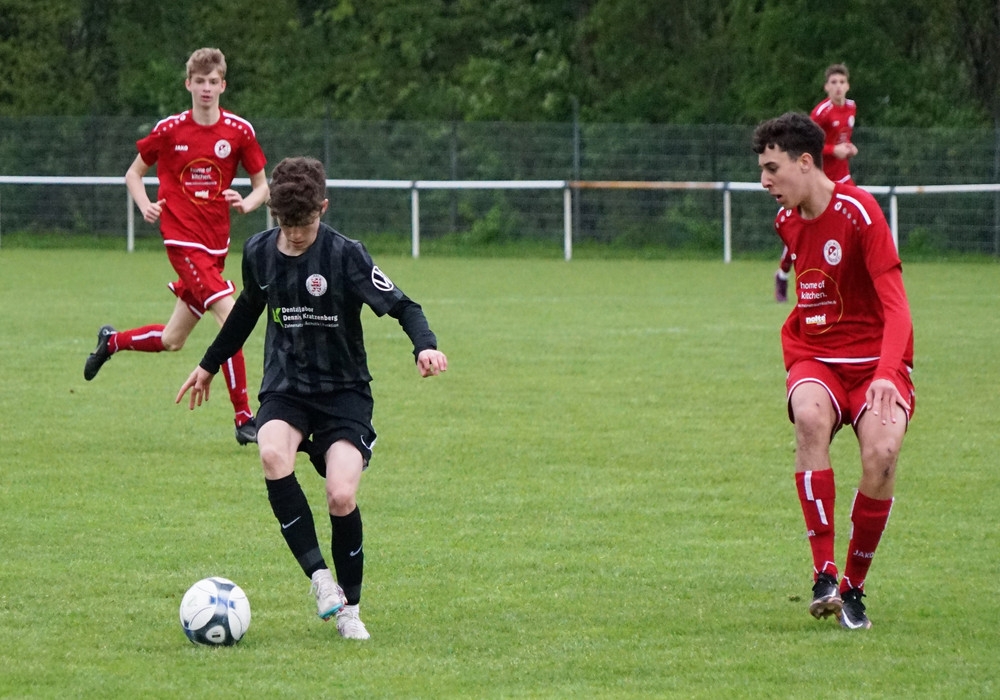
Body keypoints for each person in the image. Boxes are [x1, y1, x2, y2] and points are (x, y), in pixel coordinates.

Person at [176, 156, 448, 640]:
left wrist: (424, 345)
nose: (296, 234)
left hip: (344, 394)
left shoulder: (346, 255)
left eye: (304, 223)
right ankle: (320, 578)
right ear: (274, 215)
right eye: (286, 224)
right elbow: (246, 312)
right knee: (270, 452)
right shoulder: (259, 252)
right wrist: (208, 363)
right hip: (287, 387)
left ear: (323, 208)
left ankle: (350, 610)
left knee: (341, 495)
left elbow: (405, 306)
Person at [753, 112, 914, 630]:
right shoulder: (787, 220)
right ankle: (823, 574)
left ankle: (852, 589)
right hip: (816, 356)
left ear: (805, 162)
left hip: (875, 366)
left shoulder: (860, 211)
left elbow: (897, 307)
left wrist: (887, 372)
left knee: (882, 455)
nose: (764, 181)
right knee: (808, 417)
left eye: (772, 168)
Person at [84, 47, 269, 446]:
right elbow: (133, 174)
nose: (206, 88)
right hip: (182, 241)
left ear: (223, 85)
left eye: (213, 82)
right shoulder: (169, 130)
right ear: (188, 84)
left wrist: (247, 203)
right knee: (232, 316)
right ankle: (244, 417)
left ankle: (112, 342)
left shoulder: (239, 131)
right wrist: (145, 204)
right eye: (199, 81)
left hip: (215, 247)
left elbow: (262, 186)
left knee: (173, 339)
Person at [774, 63, 857, 303]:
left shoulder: (851, 108)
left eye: (842, 82)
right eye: (833, 83)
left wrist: (848, 148)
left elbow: (842, 139)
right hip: (819, 179)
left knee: (853, 224)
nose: (838, 87)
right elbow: (806, 145)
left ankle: (847, 280)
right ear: (826, 87)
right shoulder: (821, 113)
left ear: (848, 85)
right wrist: (833, 151)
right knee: (803, 228)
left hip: (843, 178)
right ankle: (783, 273)